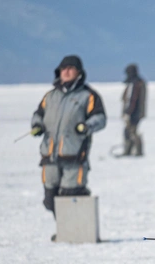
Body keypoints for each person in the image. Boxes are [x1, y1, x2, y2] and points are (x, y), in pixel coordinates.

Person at [30, 55, 106, 237]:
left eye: (71, 68)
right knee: (50, 199)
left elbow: (100, 118)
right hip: (49, 156)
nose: (67, 71)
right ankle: (66, 229)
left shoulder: (88, 96)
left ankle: (75, 231)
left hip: (74, 157)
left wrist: (86, 127)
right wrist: (37, 126)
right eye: (64, 68)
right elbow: (38, 114)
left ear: (79, 73)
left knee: (71, 195)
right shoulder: (50, 96)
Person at [121, 63, 146, 156]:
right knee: (129, 131)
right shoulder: (138, 83)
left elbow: (133, 100)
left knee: (131, 132)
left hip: (134, 113)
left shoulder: (135, 84)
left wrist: (128, 112)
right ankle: (129, 150)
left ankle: (136, 151)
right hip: (136, 112)